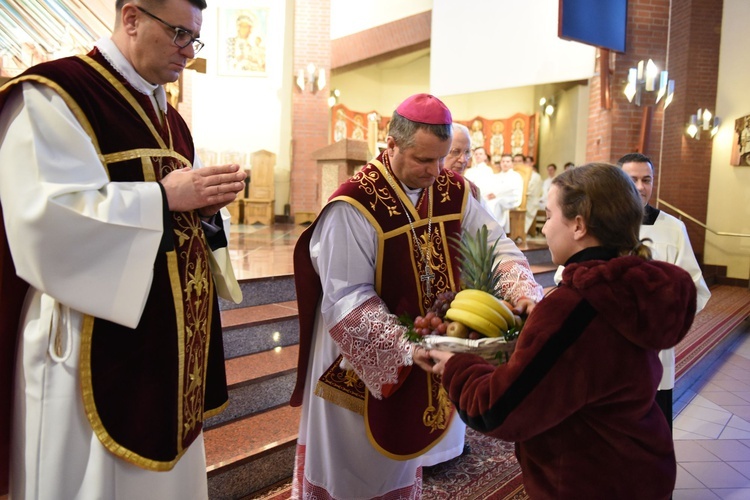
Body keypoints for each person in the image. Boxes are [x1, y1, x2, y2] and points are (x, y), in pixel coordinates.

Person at [0, 0, 247, 498]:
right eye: (180, 34)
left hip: (167, 345)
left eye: (193, 38)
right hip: (86, 339)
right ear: (131, 18)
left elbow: (180, 217)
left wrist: (203, 209)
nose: (188, 53)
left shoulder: (172, 122)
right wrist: (164, 197)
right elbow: (44, 219)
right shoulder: (57, 95)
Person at [290, 93, 544, 499]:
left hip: (426, 348)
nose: (435, 171)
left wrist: (523, 295)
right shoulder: (354, 204)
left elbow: (497, 248)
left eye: (441, 158)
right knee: (351, 470)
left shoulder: (453, 191)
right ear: (391, 145)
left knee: (400, 469)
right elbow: (346, 295)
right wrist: (404, 349)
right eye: (424, 160)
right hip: (358, 361)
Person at [415, 163, 697, 499]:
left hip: (591, 481)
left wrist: (456, 367)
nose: (545, 229)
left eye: (548, 216)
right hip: (639, 465)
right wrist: (540, 322)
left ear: (578, 225)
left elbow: (498, 410)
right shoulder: (628, 289)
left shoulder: (574, 308)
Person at [618, 153, 711, 430]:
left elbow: (695, 288)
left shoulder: (673, 228)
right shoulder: (602, 225)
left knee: (654, 433)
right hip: (611, 349)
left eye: (647, 180)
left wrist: (663, 314)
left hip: (655, 348)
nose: (641, 187)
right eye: (632, 179)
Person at [485, 153, 523, 232]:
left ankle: (496, 230)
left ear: (512, 164)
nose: (505, 163)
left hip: (511, 199)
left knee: (498, 203)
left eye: (508, 161)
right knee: (486, 202)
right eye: (503, 161)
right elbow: (490, 187)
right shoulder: (496, 176)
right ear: (500, 163)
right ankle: (486, 228)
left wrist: (496, 194)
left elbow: (512, 188)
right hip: (496, 198)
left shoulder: (515, 175)